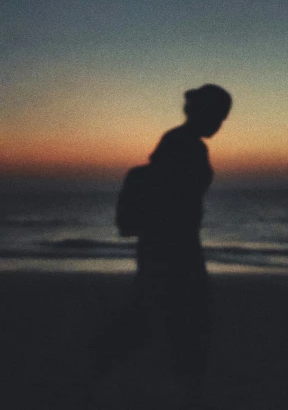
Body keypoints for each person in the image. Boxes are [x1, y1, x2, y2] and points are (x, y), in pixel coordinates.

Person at [91, 84, 232, 408]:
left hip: (162, 246)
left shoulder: (177, 143)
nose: (219, 124)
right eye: (218, 116)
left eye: (223, 118)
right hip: (175, 248)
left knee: (156, 315)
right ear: (202, 113)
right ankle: (182, 390)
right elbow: (177, 201)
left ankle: (105, 365)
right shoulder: (188, 147)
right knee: (185, 320)